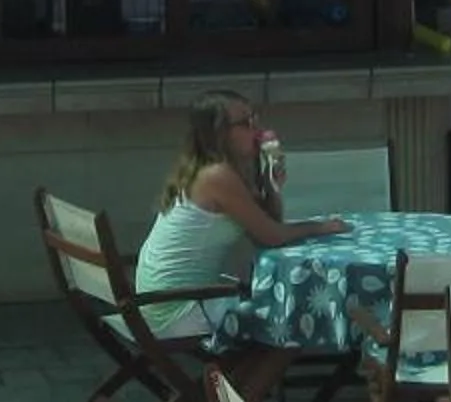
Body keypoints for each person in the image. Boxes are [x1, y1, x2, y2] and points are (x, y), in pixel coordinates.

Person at [132, 90, 349, 336]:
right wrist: (320, 227)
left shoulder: (218, 170)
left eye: (255, 119)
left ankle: (233, 374)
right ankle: (234, 376)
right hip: (177, 309)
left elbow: (265, 231)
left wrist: (271, 186)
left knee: (284, 313)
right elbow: (272, 236)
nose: (257, 129)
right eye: (245, 124)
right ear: (219, 134)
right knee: (292, 316)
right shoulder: (217, 176)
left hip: (160, 301)